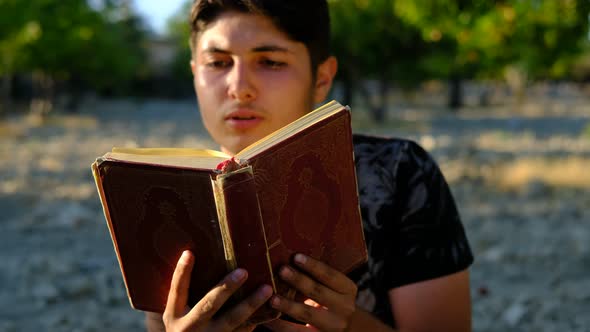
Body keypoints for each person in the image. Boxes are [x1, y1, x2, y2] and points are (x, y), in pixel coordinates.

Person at [146, 0, 474, 331]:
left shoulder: (400, 174)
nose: (239, 87)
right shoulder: (173, 196)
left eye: (271, 62)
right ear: (194, 74)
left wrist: (349, 326)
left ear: (322, 77)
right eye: (217, 63)